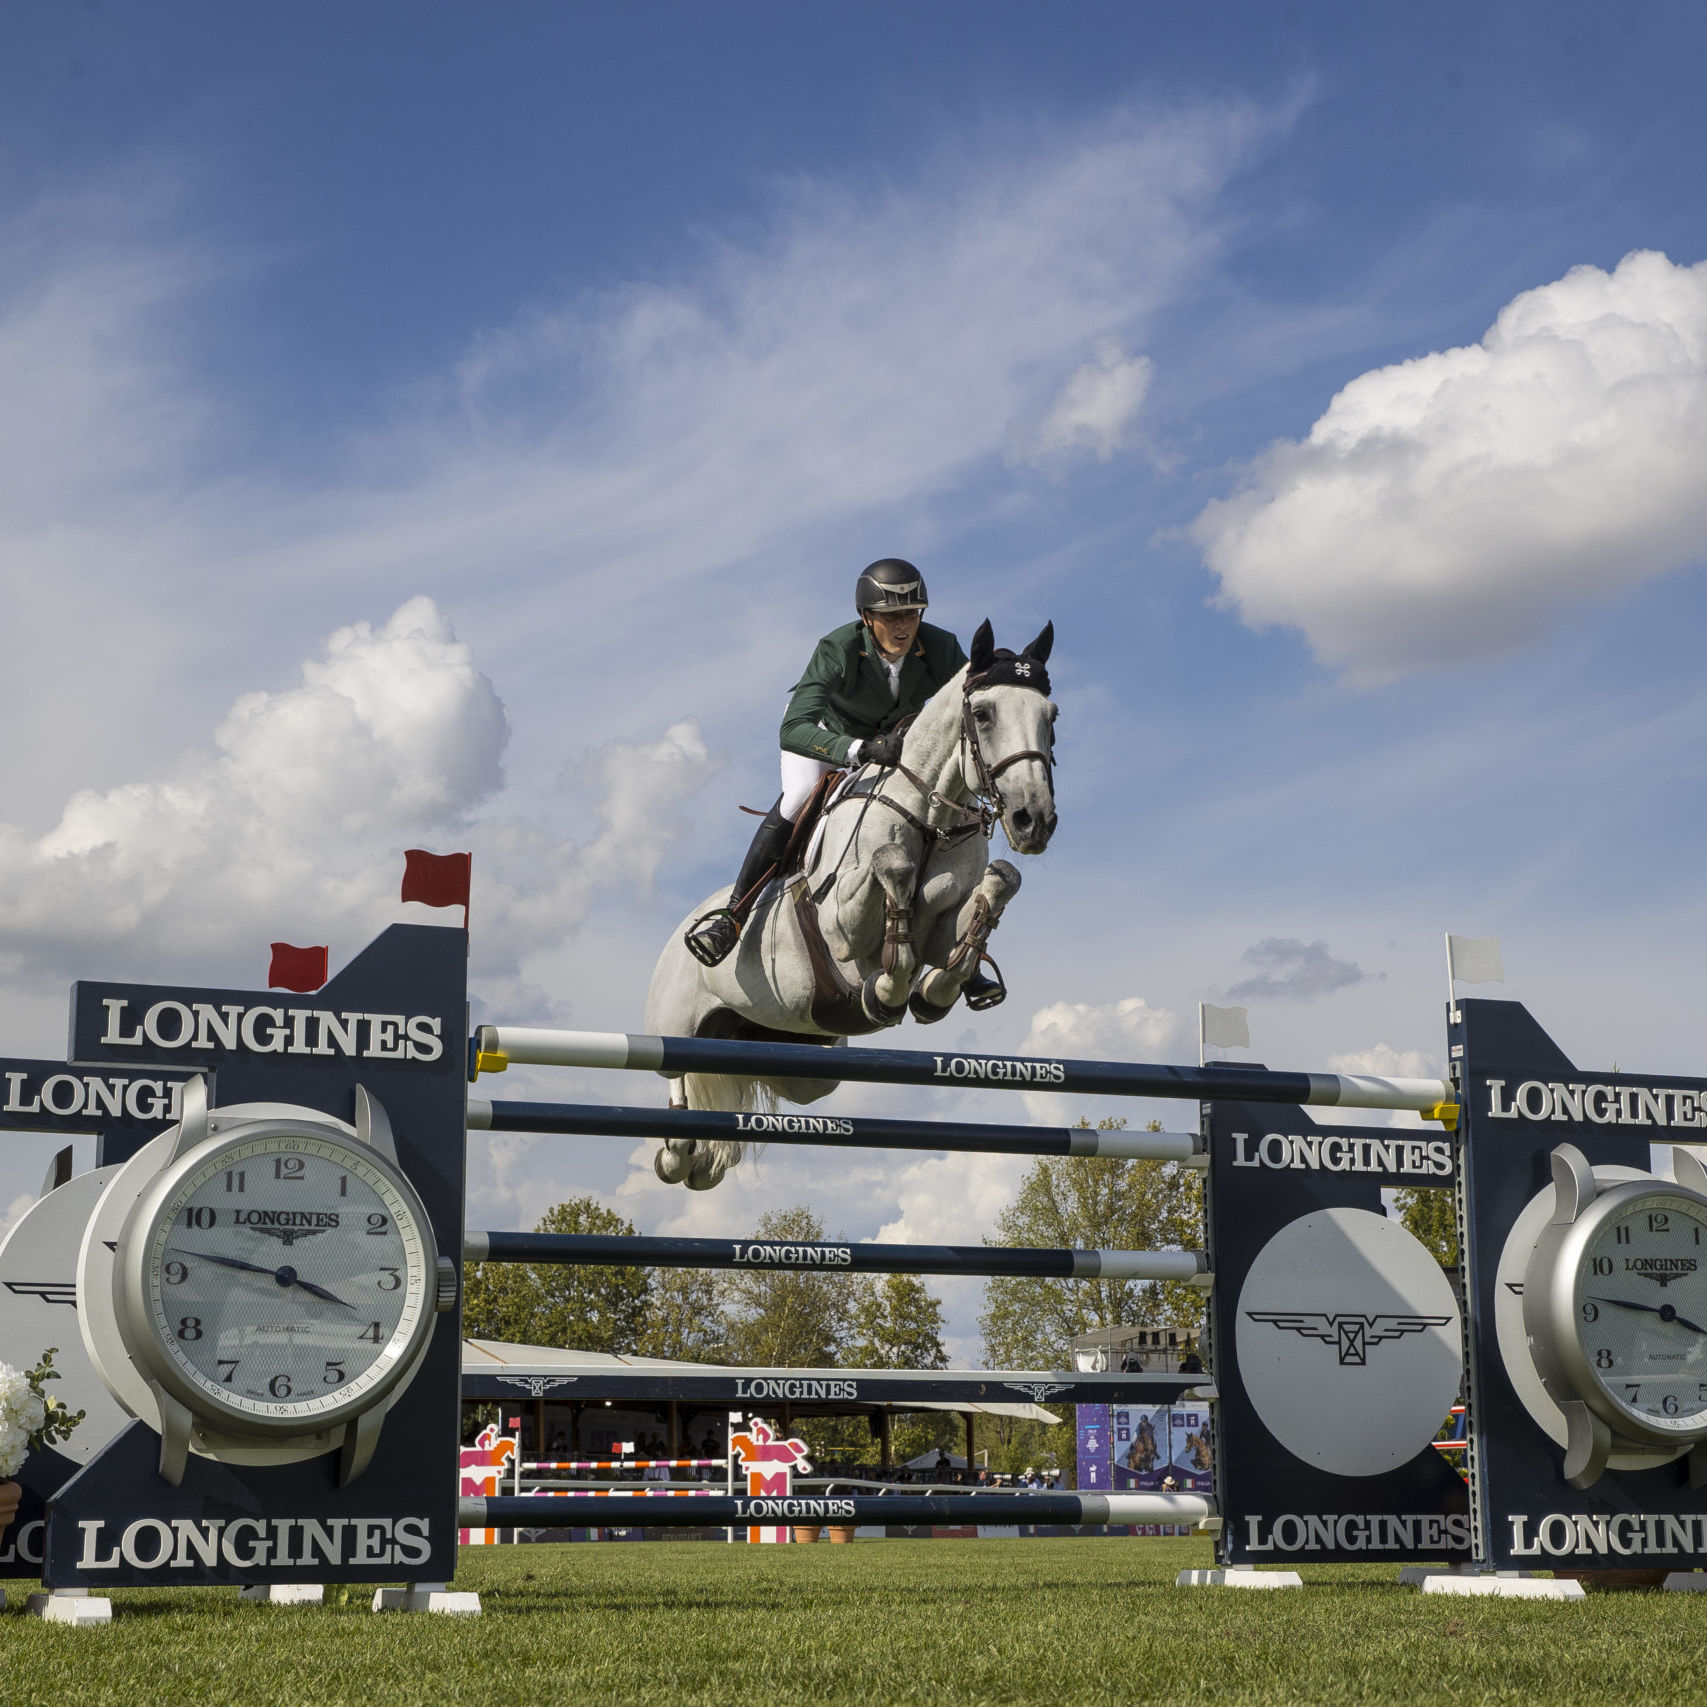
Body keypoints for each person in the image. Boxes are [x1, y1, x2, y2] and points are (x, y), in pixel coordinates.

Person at [684, 559, 968, 968]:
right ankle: (732, 916)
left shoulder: (941, 648)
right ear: (867, 617)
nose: (904, 626)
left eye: (912, 614)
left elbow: (971, 702)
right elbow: (792, 729)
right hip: (826, 734)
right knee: (799, 794)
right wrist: (858, 750)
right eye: (891, 616)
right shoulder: (838, 648)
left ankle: (958, 944)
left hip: (893, 744)